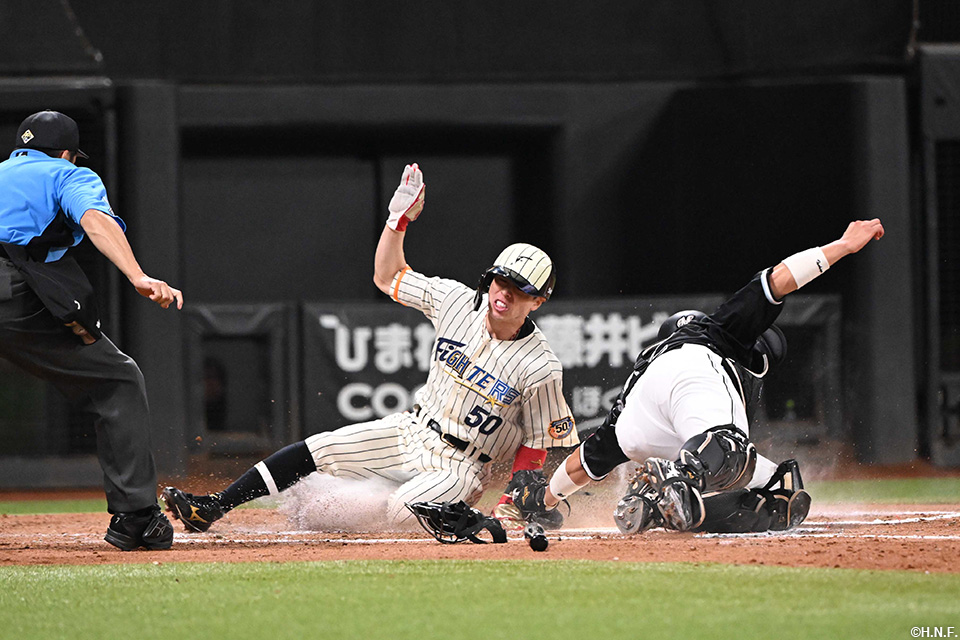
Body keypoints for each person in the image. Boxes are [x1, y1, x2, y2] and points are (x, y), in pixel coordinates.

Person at [161, 163, 578, 532]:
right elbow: (388, 277)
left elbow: (538, 442)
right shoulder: (455, 300)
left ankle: (472, 517)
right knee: (317, 448)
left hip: (463, 464)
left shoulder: (540, 366)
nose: (503, 293)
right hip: (409, 431)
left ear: (537, 301)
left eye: (518, 289)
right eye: (500, 281)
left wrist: (510, 504)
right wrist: (397, 222)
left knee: (402, 511)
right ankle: (212, 509)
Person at [509, 219, 885, 534]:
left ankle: (661, 501)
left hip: (637, 422)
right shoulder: (718, 332)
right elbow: (779, 278)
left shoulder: (651, 362)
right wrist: (843, 245)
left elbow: (584, 462)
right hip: (697, 380)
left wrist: (543, 499)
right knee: (773, 485)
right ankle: (677, 482)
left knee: (746, 472)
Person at [0, 111, 184, 550]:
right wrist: (137, 275)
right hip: (14, 296)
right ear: (66, 152)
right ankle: (135, 517)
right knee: (117, 381)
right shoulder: (67, 173)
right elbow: (95, 221)